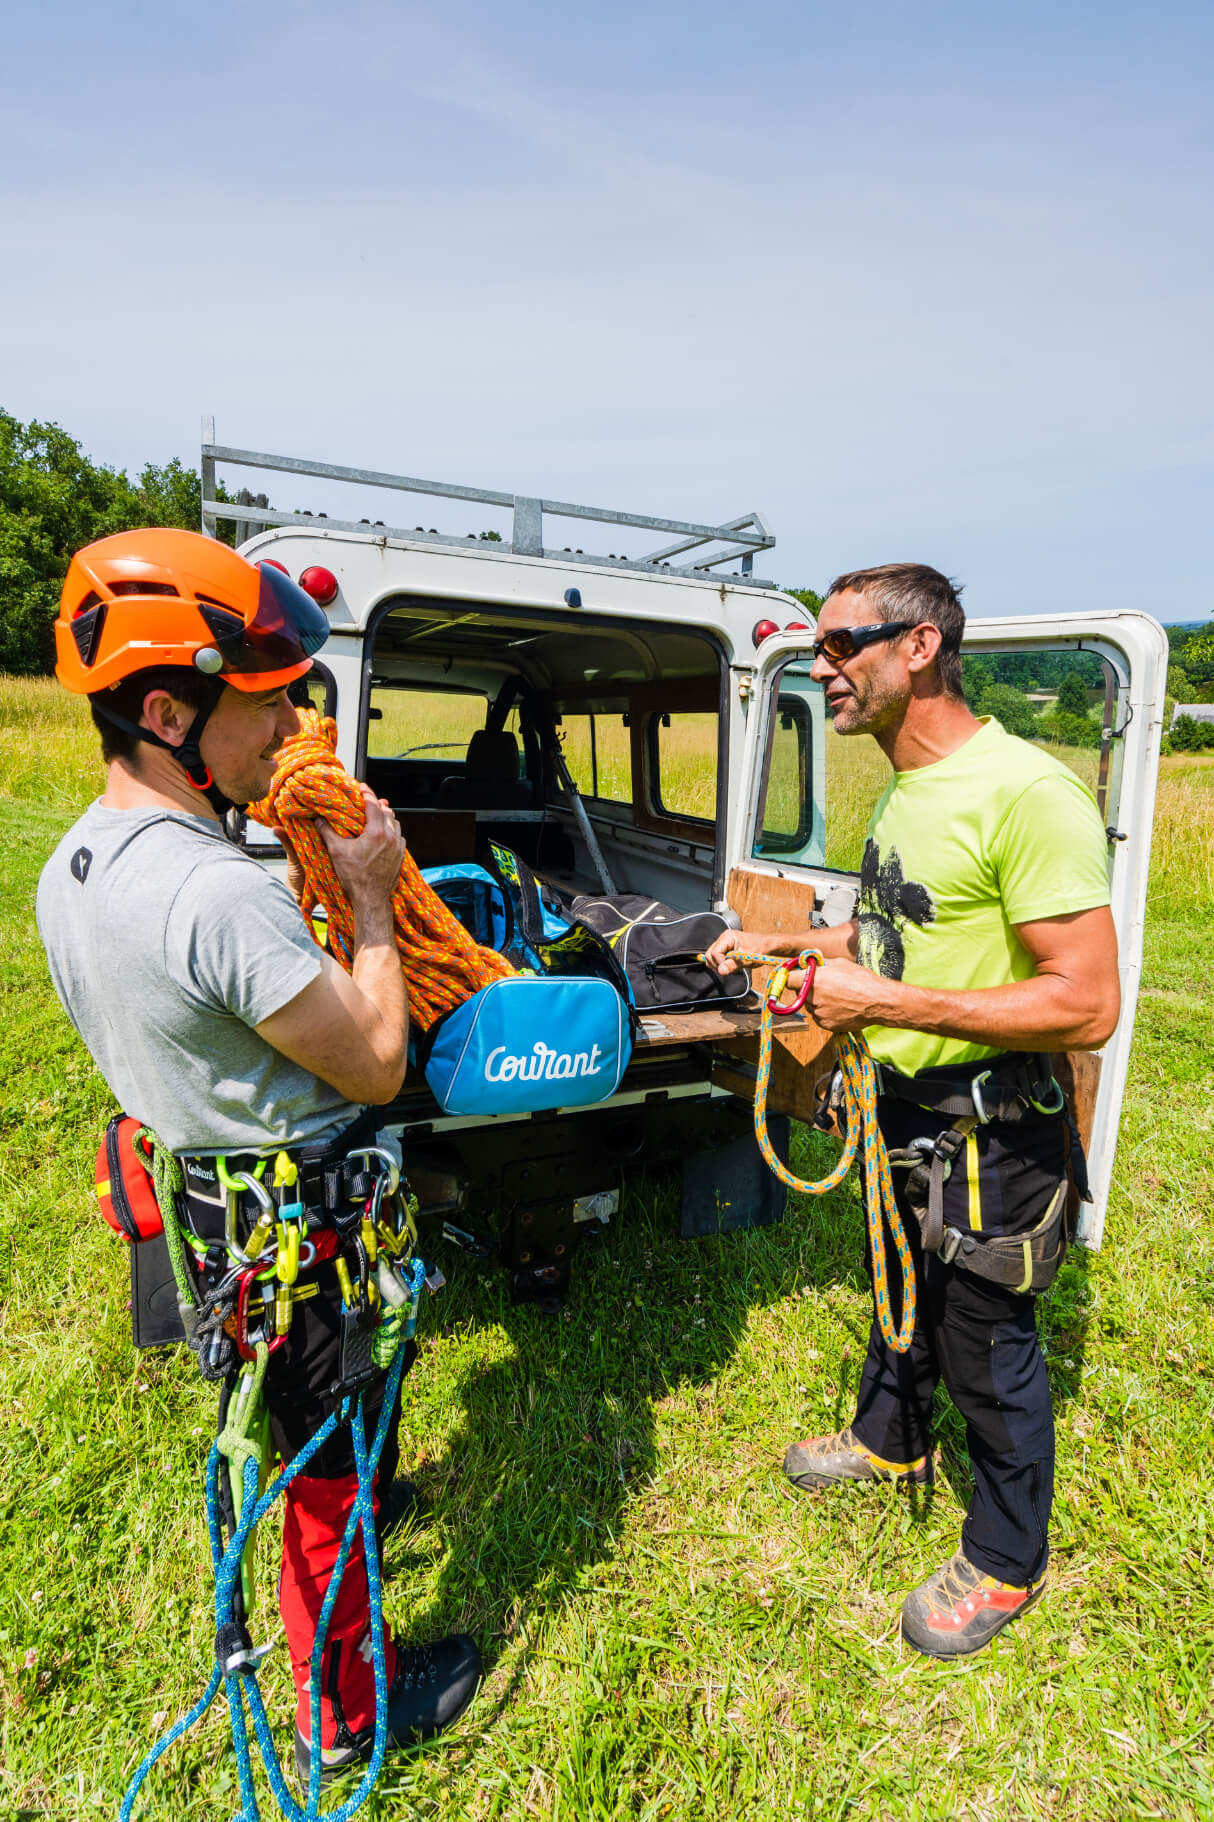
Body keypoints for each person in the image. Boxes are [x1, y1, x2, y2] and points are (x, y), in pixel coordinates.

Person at [36, 528, 481, 1783]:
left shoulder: (74, 864)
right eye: (266, 698)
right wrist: (378, 898)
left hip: (209, 1216)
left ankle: (363, 1528)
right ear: (170, 711)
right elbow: (378, 1061)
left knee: (288, 1434)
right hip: (297, 1231)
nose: (293, 720)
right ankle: (343, 1712)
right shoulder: (216, 896)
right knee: (318, 1471)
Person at [707, 563, 1119, 1658]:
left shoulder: (1025, 793)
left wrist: (880, 1000)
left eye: (841, 643)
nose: (821, 665)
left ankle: (1002, 1556)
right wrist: (788, 945)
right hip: (899, 1107)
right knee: (900, 1283)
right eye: (816, 647)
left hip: (992, 1127)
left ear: (919, 645)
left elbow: (1085, 1002)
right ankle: (889, 1439)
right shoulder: (900, 788)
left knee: (987, 1341)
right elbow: (894, 934)